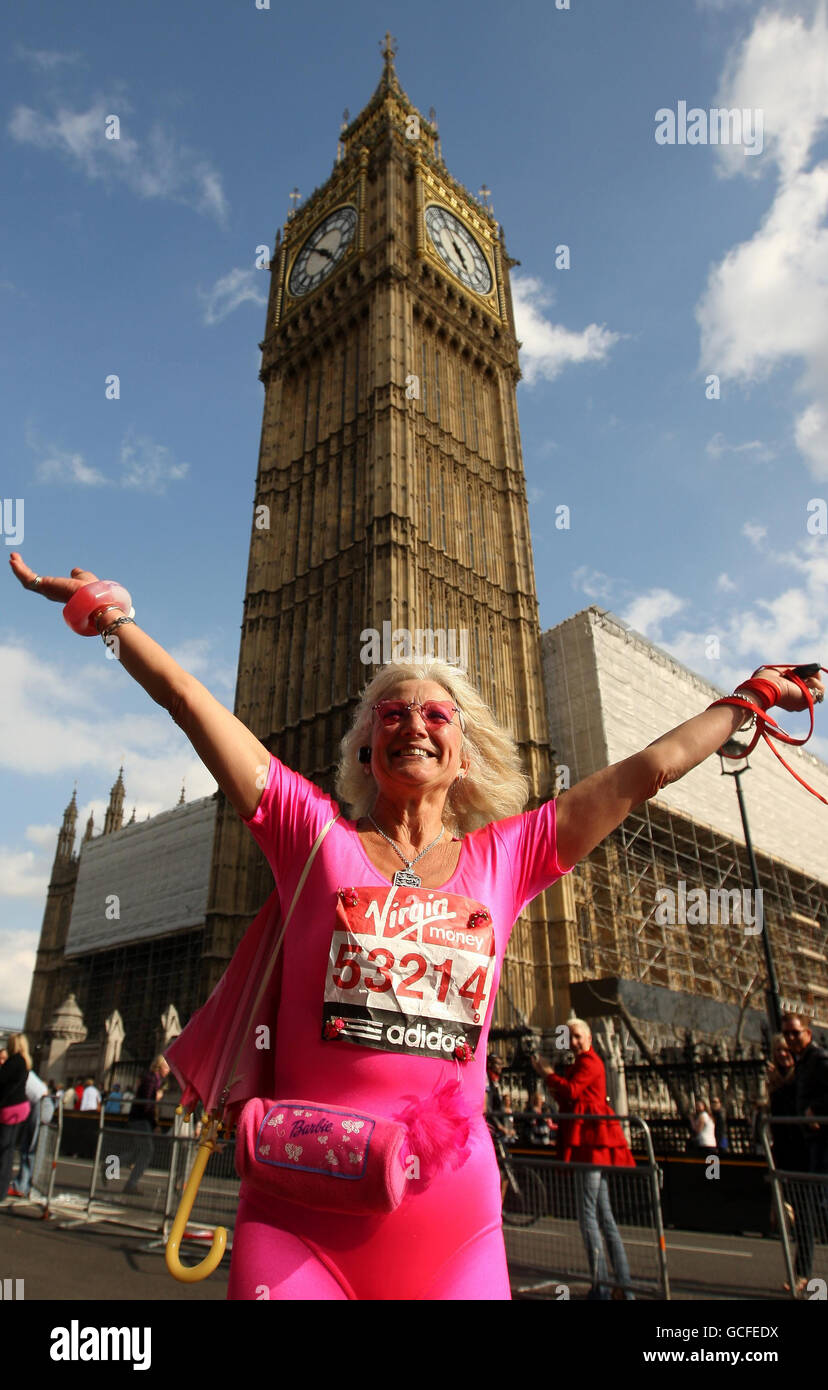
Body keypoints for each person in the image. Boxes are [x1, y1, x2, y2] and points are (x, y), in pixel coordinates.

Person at [8, 552, 824, 1301]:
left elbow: (649, 771)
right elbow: (190, 704)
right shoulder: (312, 832)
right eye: (390, 715)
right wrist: (104, 613)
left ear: (464, 754)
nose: (413, 724)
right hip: (301, 1195)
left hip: (450, 1214)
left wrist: (748, 699)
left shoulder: (509, 856)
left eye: (436, 715)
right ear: (365, 750)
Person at [532, 1019, 636, 1300]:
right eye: (569, 1036)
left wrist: (548, 1073)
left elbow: (571, 1092)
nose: (573, 1041)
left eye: (577, 1036)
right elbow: (569, 1097)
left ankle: (602, 1288)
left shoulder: (590, 1062)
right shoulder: (581, 1063)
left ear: (589, 1036)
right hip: (590, 1144)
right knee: (603, 1216)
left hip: (591, 1144)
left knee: (589, 1218)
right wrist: (552, 1078)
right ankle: (623, 1287)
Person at [781, 1012, 828, 1294]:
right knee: (810, 1210)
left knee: (814, 1207)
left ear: (808, 1033)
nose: (790, 1038)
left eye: (795, 1033)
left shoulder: (819, 1059)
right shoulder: (803, 1063)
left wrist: (816, 1110)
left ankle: (803, 1274)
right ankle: (802, 1274)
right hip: (812, 1144)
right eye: (787, 1034)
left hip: (823, 1143)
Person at [122, 1056, 170, 1194]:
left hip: (140, 1119)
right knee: (147, 1151)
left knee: (139, 1151)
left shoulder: (154, 1080)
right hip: (141, 1120)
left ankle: (110, 1165)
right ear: (159, 1066)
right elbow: (147, 1103)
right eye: (166, 1067)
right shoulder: (151, 1080)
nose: (168, 1070)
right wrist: (154, 1123)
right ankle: (131, 1184)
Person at [0, 1034, 32, 1206]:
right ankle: (3, 1189)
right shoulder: (25, 1062)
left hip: (9, 1108)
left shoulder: (13, 1062)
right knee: (9, 1149)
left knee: (3, 1150)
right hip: (22, 1107)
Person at [10, 1066, 48, 1198]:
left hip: (42, 1102)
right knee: (26, 1147)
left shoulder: (16, 1069)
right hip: (38, 1102)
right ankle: (22, 1185)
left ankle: (29, 1186)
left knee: (32, 1148)